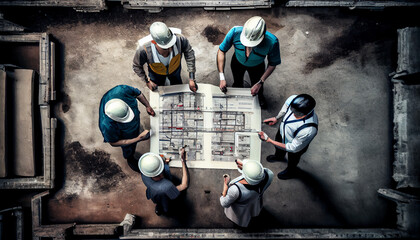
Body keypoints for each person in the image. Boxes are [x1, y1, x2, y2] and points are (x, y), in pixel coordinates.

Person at [217, 16, 281, 109]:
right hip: (237, 62)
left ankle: (260, 97)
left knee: (258, 87)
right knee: (237, 82)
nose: (248, 46)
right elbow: (221, 51)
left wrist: (260, 81)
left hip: (257, 66)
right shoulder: (235, 32)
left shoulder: (272, 42)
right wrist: (222, 77)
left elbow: (272, 64)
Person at [259, 94, 318, 180]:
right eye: (292, 110)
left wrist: (269, 140)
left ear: (306, 113)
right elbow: (285, 108)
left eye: (296, 113)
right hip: (282, 133)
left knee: (293, 159)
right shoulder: (293, 99)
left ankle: (291, 171)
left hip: (295, 146)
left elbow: (293, 148)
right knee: (278, 148)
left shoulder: (309, 130)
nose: (293, 113)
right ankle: (279, 156)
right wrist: (277, 118)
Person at [99, 85, 155, 172]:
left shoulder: (122, 90)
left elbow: (138, 94)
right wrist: (138, 139)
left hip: (134, 123)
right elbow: (113, 142)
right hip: (126, 136)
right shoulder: (107, 125)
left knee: (138, 130)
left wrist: (147, 106)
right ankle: (130, 159)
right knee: (129, 149)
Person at [133, 22, 197, 92]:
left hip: (175, 71)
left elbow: (189, 54)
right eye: (165, 48)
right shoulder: (144, 50)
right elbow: (136, 66)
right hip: (156, 74)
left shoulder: (180, 39)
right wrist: (147, 81)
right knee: (158, 90)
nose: (170, 49)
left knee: (177, 86)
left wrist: (191, 78)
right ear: (154, 42)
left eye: (171, 44)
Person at [220, 159, 273, 228]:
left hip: (241, 211)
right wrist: (246, 168)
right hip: (255, 203)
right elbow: (254, 173)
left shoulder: (235, 190)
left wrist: (225, 186)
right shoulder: (269, 175)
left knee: (240, 221)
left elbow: (224, 203)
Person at [138, 148, 189, 216]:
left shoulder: (145, 173)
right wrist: (183, 161)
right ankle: (164, 210)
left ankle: (159, 206)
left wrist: (165, 163)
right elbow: (184, 185)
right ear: (161, 173)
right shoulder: (167, 186)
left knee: (157, 200)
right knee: (166, 206)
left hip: (153, 193)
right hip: (164, 194)